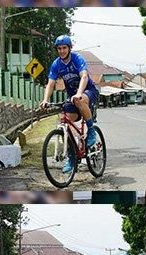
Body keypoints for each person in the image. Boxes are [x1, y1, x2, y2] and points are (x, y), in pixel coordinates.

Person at [39, 35, 100, 173]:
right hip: (72, 96)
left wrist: (78, 93)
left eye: (64, 48)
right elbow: (51, 83)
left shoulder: (77, 59)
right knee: (67, 125)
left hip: (88, 91)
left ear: (70, 48)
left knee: (78, 100)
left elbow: (84, 76)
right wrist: (45, 100)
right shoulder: (56, 64)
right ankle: (72, 157)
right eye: (59, 48)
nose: (61, 51)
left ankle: (91, 131)